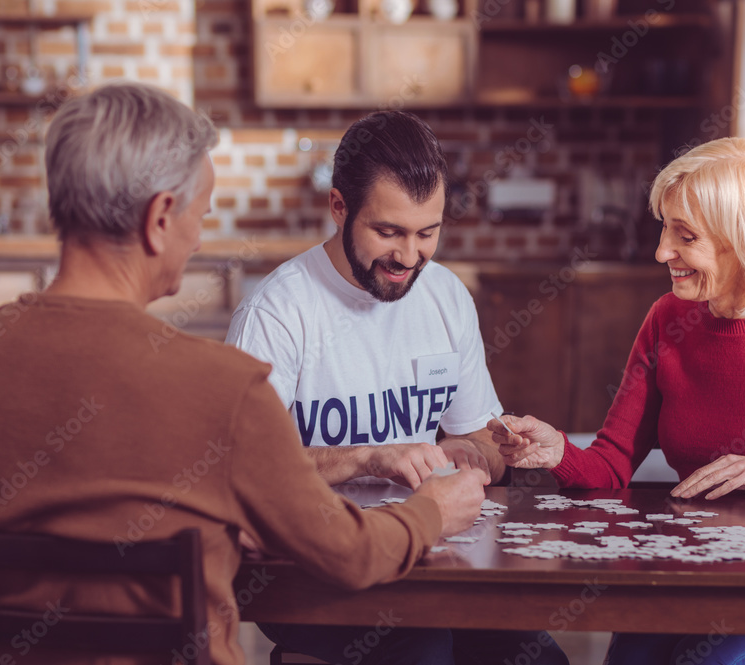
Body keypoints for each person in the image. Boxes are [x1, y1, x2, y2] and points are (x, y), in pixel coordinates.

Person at [0, 82, 488, 665]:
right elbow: (348, 553)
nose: (198, 239)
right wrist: (433, 512)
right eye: (201, 215)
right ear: (160, 219)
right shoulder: (221, 385)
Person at [490, 137, 745, 665]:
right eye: (665, 228)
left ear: (744, 239)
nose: (662, 251)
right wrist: (556, 452)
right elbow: (612, 463)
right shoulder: (667, 319)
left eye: (684, 236)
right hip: (684, 581)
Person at [226, 110, 569, 665]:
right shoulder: (278, 313)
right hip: (312, 569)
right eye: (388, 232)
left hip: (429, 555)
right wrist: (367, 458)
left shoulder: (446, 296)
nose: (409, 257)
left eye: (426, 233)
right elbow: (241, 472)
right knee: (422, 650)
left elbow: (483, 443)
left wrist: (475, 454)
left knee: (539, 658)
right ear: (339, 207)